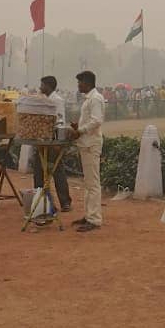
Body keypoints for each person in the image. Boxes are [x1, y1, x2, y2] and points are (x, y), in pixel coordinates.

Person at [68, 70, 104, 232]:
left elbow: (97, 121)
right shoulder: (90, 99)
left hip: (91, 144)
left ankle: (94, 219)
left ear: (87, 83)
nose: (78, 85)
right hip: (86, 143)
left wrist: (80, 131)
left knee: (93, 183)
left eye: (80, 82)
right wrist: (78, 128)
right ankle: (89, 215)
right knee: (88, 183)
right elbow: (91, 120)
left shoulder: (95, 98)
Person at [32, 76, 72, 212]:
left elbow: (60, 121)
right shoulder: (43, 99)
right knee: (39, 170)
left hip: (53, 140)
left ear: (48, 86)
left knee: (57, 171)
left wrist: (58, 142)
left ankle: (65, 202)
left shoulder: (57, 100)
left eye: (42, 85)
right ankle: (43, 201)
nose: (40, 87)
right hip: (43, 139)